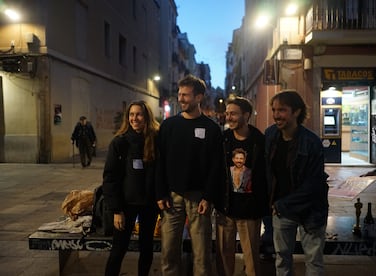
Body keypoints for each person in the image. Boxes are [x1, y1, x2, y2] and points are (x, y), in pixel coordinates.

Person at [155, 74, 223, 276]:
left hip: (198, 198)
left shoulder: (211, 128)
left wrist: (208, 197)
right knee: (168, 252)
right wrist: (160, 193)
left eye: (186, 95)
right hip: (171, 197)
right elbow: (160, 162)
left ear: (199, 97)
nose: (181, 99)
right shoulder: (168, 126)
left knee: (202, 255)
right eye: (179, 94)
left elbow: (216, 166)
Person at [265, 90, 329, 275]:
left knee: (313, 261)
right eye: (274, 109)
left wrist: (282, 204)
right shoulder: (270, 135)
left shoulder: (311, 142)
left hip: (310, 211)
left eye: (282, 110)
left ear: (297, 112)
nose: (276, 115)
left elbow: (314, 183)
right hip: (281, 210)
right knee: (282, 259)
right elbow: (267, 173)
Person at [103, 101, 160, 276]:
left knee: (146, 248)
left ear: (147, 117)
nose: (134, 118)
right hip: (126, 205)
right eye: (131, 115)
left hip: (149, 204)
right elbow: (110, 178)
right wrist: (116, 210)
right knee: (118, 250)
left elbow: (160, 173)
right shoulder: (120, 143)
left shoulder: (156, 140)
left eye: (139, 114)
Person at [214, 96, 268, 276]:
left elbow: (266, 175)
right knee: (223, 257)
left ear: (246, 115)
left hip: (250, 210)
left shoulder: (260, 141)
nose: (229, 117)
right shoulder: (223, 139)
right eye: (227, 113)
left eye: (234, 114)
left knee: (252, 258)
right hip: (225, 208)